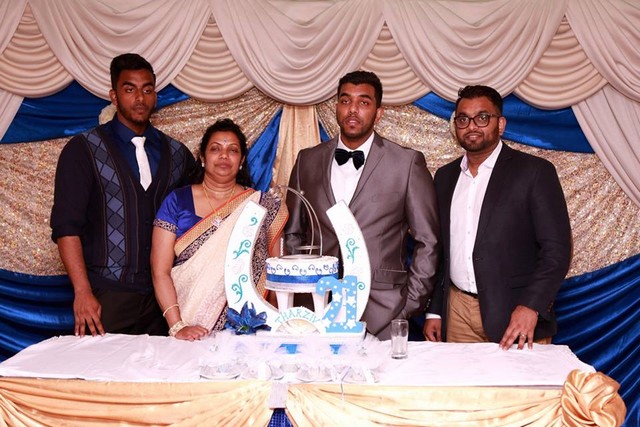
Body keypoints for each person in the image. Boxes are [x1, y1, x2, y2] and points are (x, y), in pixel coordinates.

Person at [285, 70, 440, 340]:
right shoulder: (307, 160)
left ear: (378, 113)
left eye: (364, 102)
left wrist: (407, 306)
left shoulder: (406, 163)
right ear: (336, 107)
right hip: (316, 306)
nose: (353, 109)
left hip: (383, 309)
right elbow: (293, 233)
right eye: (345, 101)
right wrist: (303, 288)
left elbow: (428, 241)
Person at [50, 53, 195, 337]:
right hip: (106, 296)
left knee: (164, 366)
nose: (140, 98)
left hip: (164, 299)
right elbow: (66, 228)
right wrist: (82, 292)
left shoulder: (178, 154)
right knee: (102, 366)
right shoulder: (83, 150)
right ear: (114, 96)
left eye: (147, 89)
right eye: (130, 89)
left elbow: (199, 214)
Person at [423, 85, 572, 350]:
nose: (472, 126)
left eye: (482, 118)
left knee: (521, 380)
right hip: (457, 313)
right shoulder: (445, 177)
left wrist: (531, 306)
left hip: (515, 315)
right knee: (462, 379)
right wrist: (435, 310)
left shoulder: (535, 172)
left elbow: (557, 250)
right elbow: (442, 251)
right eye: (463, 119)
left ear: (500, 124)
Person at [151, 119, 288, 340]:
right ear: (202, 158)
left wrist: (276, 324)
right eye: (215, 149)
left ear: (241, 160)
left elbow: (277, 273)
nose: (224, 156)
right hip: (188, 327)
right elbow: (160, 271)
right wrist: (177, 326)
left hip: (250, 329)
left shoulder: (262, 206)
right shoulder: (176, 201)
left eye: (232, 150)